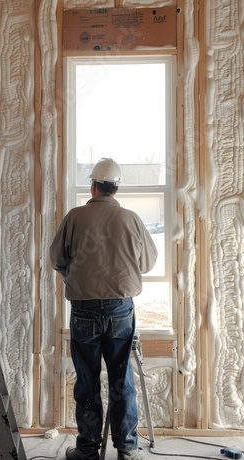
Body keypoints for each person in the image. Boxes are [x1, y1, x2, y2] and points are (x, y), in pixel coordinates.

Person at [50, 158, 158, 460]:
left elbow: (57, 260)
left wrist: (75, 274)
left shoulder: (74, 217)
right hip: (120, 310)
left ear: (93, 185)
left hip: (83, 310)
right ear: (116, 187)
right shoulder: (131, 219)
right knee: (122, 381)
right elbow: (148, 263)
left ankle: (87, 450)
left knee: (87, 380)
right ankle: (126, 450)